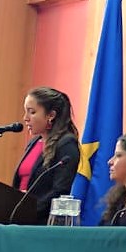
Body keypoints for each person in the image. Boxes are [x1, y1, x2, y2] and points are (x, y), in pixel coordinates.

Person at [11, 86, 80, 224]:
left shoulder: (66, 144)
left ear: (51, 115)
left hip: (42, 222)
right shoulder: (34, 142)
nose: (25, 118)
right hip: (18, 219)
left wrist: (29, 210)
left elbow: (60, 190)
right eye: (25, 112)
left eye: (32, 112)